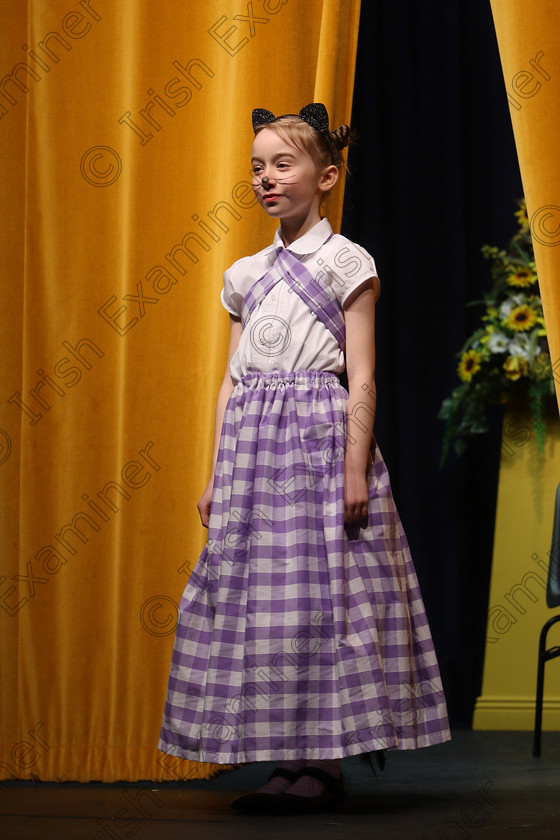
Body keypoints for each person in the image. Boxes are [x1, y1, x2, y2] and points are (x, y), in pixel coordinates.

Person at [158, 103, 450, 815]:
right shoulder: (244, 272)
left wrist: (354, 466)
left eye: (281, 164)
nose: (265, 178)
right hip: (254, 452)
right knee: (268, 601)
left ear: (325, 176)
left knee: (324, 596)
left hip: (318, 441)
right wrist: (217, 473)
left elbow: (363, 372)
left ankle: (322, 760)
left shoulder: (347, 262)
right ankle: (289, 759)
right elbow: (232, 380)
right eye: (257, 166)